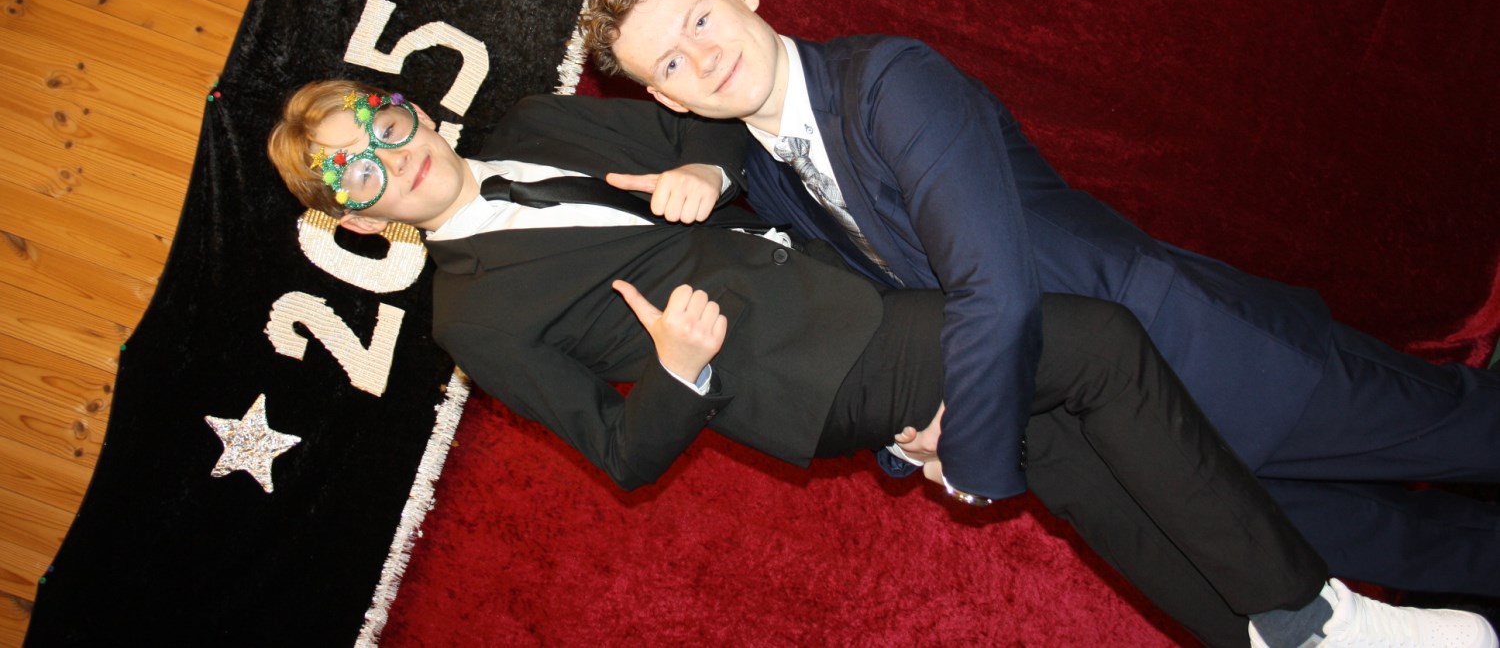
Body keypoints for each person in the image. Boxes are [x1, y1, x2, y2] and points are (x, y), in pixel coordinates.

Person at [267, 81, 1495, 648]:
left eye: (381, 122)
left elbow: (705, 128)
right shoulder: (470, 317)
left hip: (861, 296)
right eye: (354, 168)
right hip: (811, 368)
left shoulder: (537, 123)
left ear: (408, 106)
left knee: (1077, 457)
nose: (389, 154)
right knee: (1097, 347)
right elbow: (619, 448)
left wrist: (699, 166)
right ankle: (1316, 618)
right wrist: (681, 369)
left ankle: (1261, 635)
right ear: (358, 217)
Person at [583, 0, 1500, 602]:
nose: (706, 56)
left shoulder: (890, 81)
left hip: (1214, 353)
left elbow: (994, 288)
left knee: (1466, 432)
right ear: (665, 95)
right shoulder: (772, 180)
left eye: (701, 17)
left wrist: (972, 459)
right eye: (673, 60)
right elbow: (877, 331)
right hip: (1139, 439)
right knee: (1411, 551)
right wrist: (909, 436)